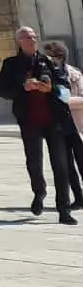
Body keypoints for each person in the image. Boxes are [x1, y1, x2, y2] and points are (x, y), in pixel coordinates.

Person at [0, 27, 76, 225]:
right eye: (27, 38)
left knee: (61, 164)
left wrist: (50, 87)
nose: (32, 40)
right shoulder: (11, 64)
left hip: (54, 119)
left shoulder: (47, 61)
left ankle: (64, 209)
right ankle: (39, 192)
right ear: (19, 42)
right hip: (29, 120)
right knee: (34, 161)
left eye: (34, 37)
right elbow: (3, 91)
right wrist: (23, 87)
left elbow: (64, 85)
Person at [43, 42, 83, 211]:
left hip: (76, 125)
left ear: (59, 57)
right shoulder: (45, 75)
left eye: (51, 56)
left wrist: (65, 102)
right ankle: (78, 197)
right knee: (66, 165)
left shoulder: (74, 74)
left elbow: (82, 98)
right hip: (58, 126)